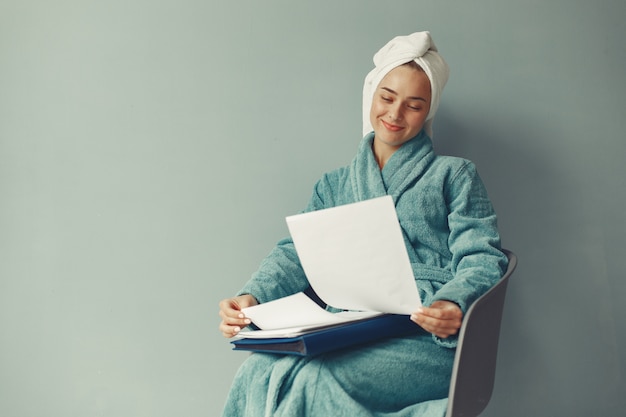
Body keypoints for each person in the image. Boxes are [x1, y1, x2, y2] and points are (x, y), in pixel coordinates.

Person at [218, 31, 508, 417]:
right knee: (258, 370)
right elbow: (294, 255)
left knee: (313, 380)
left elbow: (483, 257)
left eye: (414, 105)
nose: (395, 114)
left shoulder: (454, 175)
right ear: (370, 94)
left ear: (428, 112)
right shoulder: (334, 185)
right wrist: (251, 297)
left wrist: (453, 302)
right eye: (387, 98)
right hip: (350, 329)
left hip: (423, 337)